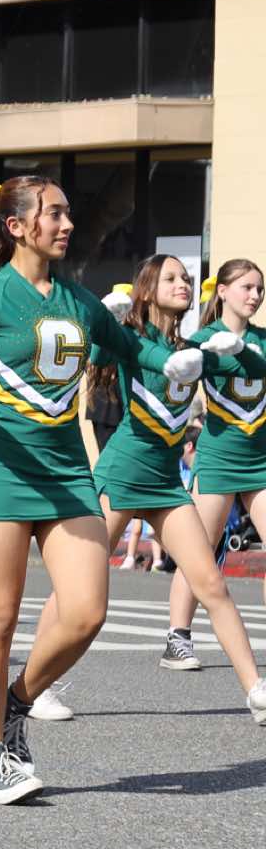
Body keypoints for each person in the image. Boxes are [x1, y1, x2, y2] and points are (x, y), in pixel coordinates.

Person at [0, 176, 205, 804]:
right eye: (53, 214)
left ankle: (16, 702)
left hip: (68, 470)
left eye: (68, 213)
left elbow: (126, 345)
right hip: (1, 466)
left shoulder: (77, 299)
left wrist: (169, 363)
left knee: (86, 611)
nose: (66, 224)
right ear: (17, 226)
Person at [32, 254, 266, 723]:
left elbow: (252, 371)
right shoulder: (132, 338)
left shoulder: (195, 346)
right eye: (172, 278)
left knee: (211, 583)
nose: (184, 284)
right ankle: (39, 686)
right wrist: (105, 320)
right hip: (122, 473)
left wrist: (238, 349)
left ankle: (256, 692)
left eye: (187, 279)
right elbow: (97, 357)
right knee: (76, 586)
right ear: (148, 287)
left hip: (166, 483)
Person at [181, 260, 266, 657]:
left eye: (260, 289)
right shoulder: (202, 339)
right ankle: (178, 635)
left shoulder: (263, 339)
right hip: (218, 459)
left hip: (260, 460)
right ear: (223, 291)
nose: (255, 296)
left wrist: (243, 351)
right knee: (199, 550)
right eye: (247, 287)